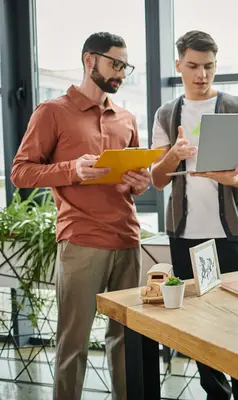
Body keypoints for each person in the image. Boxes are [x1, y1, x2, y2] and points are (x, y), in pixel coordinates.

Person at [10, 32, 150, 400]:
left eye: (125, 66)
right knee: (73, 345)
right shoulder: (52, 112)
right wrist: (72, 170)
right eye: (114, 64)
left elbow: (135, 179)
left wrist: (141, 182)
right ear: (91, 60)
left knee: (125, 341)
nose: (121, 73)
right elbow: (21, 172)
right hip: (81, 242)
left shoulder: (126, 118)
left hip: (128, 239)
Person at [150, 30, 238, 400]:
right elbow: (156, 178)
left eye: (209, 66)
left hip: (229, 233)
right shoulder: (167, 114)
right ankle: (216, 393)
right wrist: (175, 155)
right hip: (184, 234)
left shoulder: (237, 106)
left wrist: (230, 176)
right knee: (199, 322)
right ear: (178, 65)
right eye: (193, 66)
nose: (202, 75)